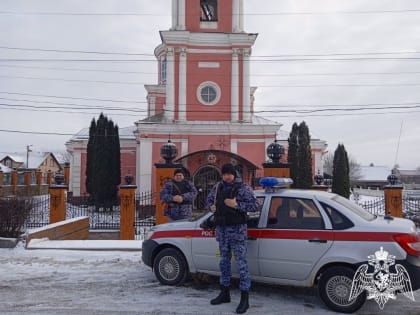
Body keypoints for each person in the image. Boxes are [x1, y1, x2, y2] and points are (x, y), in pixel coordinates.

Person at [206, 163, 259, 314]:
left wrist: (237, 204)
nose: (227, 176)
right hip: (222, 231)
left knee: (242, 265)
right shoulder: (217, 188)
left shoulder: (244, 188)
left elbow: (255, 206)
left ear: (234, 174)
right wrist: (211, 207)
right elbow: (209, 201)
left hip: (237, 232)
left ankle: (245, 298)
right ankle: (224, 293)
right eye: (224, 174)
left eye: (229, 174)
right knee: (224, 263)